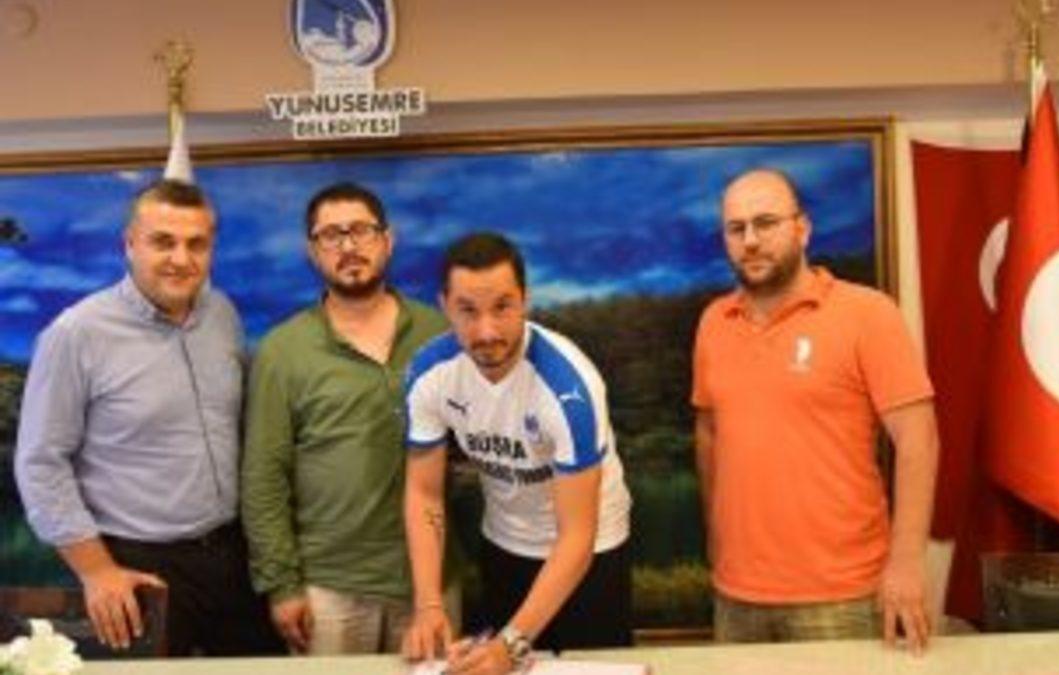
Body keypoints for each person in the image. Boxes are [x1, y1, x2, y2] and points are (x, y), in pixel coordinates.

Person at [14, 179, 283, 657]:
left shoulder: (222, 314)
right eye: (163, 242)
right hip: (134, 566)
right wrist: (96, 571)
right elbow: (40, 462)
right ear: (130, 244)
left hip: (230, 558)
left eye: (196, 244)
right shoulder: (76, 335)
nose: (181, 258)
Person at [692, 168, 939, 652]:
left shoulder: (868, 314)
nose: (750, 240)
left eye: (766, 223)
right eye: (736, 228)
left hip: (842, 597)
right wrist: (717, 542)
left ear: (802, 229)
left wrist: (907, 563)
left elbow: (919, 441)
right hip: (736, 597)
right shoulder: (713, 322)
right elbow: (709, 433)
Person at [402, 232, 632, 674]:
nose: (486, 331)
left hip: (592, 554)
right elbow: (423, 493)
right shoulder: (429, 374)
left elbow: (577, 535)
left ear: (525, 300)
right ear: (444, 306)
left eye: (502, 307)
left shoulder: (569, 388)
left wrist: (512, 643)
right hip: (505, 543)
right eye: (468, 311)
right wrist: (429, 604)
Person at [241, 182, 449, 655]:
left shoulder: (438, 334)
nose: (348, 246)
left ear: (387, 240)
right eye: (331, 235)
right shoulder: (282, 350)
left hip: (430, 584)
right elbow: (263, 476)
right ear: (313, 251)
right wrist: (282, 586)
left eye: (361, 230)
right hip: (328, 588)